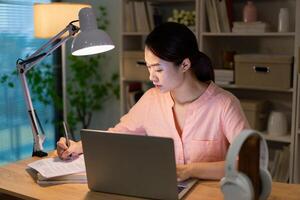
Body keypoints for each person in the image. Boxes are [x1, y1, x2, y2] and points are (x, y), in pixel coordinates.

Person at [57, 22, 249, 181]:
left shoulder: (224, 104)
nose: (151, 77)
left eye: (158, 69)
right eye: (149, 68)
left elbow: (250, 161)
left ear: (185, 64)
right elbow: (117, 137)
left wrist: (190, 170)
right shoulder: (151, 99)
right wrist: (76, 147)